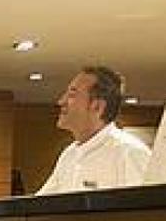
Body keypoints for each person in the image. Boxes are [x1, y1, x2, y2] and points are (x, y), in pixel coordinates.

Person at [36, 66, 150, 195]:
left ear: (97, 106)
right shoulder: (69, 155)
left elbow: (148, 206)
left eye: (72, 95)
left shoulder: (129, 153)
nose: (61, 101)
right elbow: (41, 202)